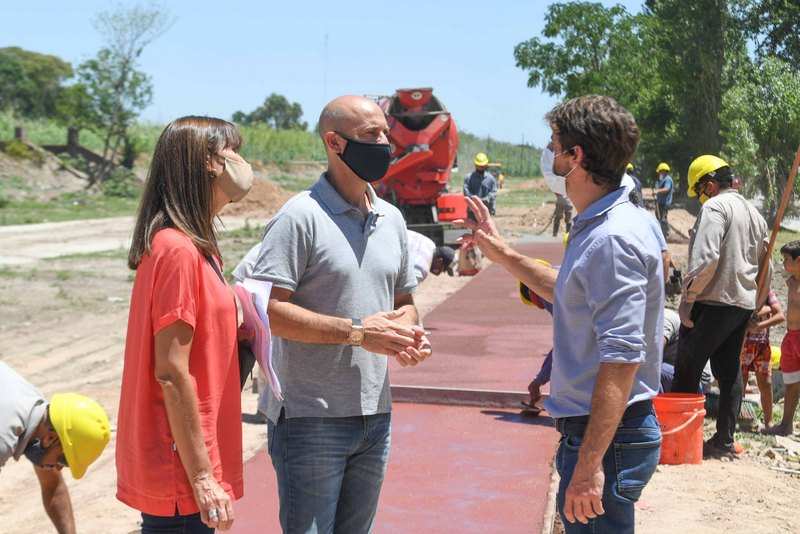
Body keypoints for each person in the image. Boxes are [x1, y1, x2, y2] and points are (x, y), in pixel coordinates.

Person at [459, 95, 664, 532]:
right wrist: (502, 253)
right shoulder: (607, 221)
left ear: (577, 156)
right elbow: (570, 292)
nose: (549, 153)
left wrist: (589, 466)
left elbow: (623, 356)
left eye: (554, 145)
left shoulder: (611, 239)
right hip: (604, 431)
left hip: (605, 437)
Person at [251, 95, 432, 534]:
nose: (385, 143)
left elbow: (404, 301)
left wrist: (409, 333)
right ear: (334, 142)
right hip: (311, 419)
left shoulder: (391, 219)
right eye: (372, 135)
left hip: (375, 415)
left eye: (386, 132)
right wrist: (357, 333)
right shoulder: (299, 217)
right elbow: (269, 312)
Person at [117, 117, 254, 533]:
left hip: (190, 458)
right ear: (204, 165)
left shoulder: (196, 247)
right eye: (230, 152)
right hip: (180, 468)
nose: (241, 162)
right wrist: (202, 477)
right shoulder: (176, 250)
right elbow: (172, 372)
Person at [672, 154, 769, 458]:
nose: (700, 199)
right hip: (742, 303)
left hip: (713, 300)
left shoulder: (714, 208)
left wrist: (688, 300)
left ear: (710, 185)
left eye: (700, 192)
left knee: (688, 364)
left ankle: (683, 436)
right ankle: (724, 441)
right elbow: (765, 267)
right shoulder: (755, 214)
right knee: (729, 373)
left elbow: (707, 260)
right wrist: (756, 304)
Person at [1, 362, 110, 534]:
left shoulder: (40, 416)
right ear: (51, 438)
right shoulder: (4, 433)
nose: (58, 467)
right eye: (63, 460)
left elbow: (53, 486)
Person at [234, 229, 456, 287]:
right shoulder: (423, 265)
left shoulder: (427, 242)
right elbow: (402, 291)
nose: (439, 273)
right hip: (253, 280)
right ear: (439, 262)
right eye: (442, 269)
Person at [766, 241, 800, 436]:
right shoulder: (791, 282)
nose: (784, 263)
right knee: (791, 383)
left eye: (787, 259)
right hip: (790, 337)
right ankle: (786, 424)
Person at [740, 290, 784, 430]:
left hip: (762, 345)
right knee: (740, 383)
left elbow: (780, 315)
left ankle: (768, 422)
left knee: (766, 384)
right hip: (743, 345)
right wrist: (764, 310)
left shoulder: (767, 292)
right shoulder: (745, 286)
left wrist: (759, 324)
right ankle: (737, 418)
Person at [654, 162, 673, 238]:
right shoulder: (661, 179)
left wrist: (657, 191)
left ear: (664, 171)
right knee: (658, 217)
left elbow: (666, 189)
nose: (659, 173)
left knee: (663, 218)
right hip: (660, 202)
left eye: (660, 171)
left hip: (665, 203)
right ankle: (661, 232)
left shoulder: (668, 179)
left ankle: (666, 233)